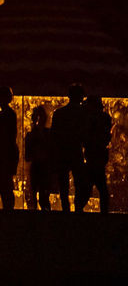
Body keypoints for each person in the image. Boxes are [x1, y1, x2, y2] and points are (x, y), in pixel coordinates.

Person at [52, 83, 87, 212]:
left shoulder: (59, 113)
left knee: (64, 183)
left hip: (62, 151)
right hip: (76, 150)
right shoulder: (83, 113)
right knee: (79, 181)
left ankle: (65, 207)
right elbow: (85, 133)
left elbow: (54, 134)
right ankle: (78, 207)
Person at [78, 94, 113, 212]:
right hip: (98, 157)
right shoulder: (104, 118)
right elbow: (106, 137)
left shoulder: (92, 119)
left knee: (90, 187)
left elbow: (86, 138)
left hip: (93, 157)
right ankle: (103, 214)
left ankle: (78, 210)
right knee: (100, 187)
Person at [24, 105, 54, 211]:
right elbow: (27, 155)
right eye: (37, 116)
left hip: (43, 167)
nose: (39, 119)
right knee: (36, 195)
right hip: (40, 166)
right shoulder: (43, 134)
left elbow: (28, 155)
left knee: (41, 195)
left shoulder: (46, 134)